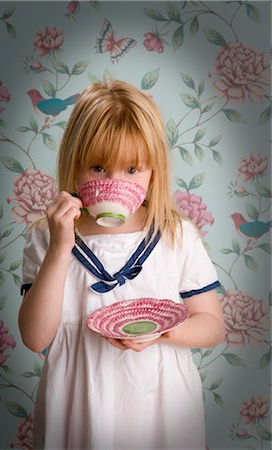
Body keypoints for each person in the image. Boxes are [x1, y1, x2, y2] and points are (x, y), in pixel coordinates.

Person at [19, 80, 225, 450]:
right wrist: (60, 247)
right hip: (77, 405)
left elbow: (211, 325)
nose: (114, 182)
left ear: (153, 173)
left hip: (163, 406)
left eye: (132, 170)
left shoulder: (177, 234)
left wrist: (164, 333)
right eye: (97, 167)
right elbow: (36, 338)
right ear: (74, 166)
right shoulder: (47, 236)